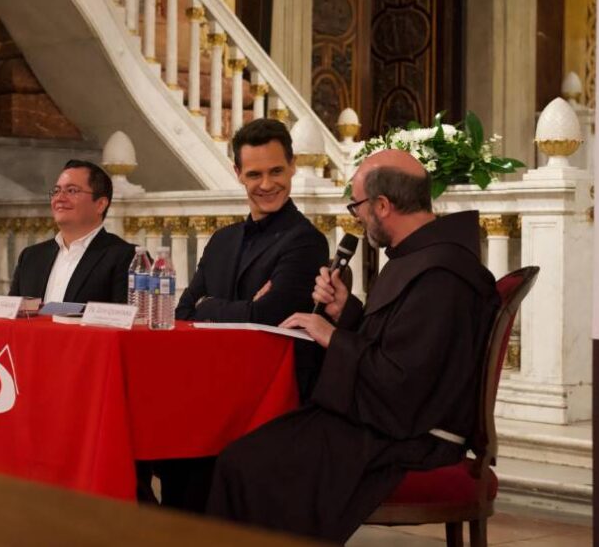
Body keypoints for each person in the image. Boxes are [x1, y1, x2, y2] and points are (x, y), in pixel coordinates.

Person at [206, 150, 501, 542]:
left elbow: (402, 386)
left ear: (382, 205)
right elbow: (396, 345)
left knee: (245, 466)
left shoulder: (440, 275)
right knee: (245, 451)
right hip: (388, 420)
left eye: (358, 205)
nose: (357, 217)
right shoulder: (420, 257)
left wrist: (331, 336)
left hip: (413, 436)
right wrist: (346, 312)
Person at [146, 119, 328, 513]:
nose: (267, 184)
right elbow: (182, 312)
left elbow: (270, 315)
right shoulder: (222, 239)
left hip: (265, 401)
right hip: (208, 389)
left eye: (276, 171)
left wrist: (211, 306)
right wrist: (242, 309)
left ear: (293, 166)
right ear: (238, 175)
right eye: (255, 174)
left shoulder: (307, 241)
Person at [9, 160, 135, 303]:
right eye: (56, 191)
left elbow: (124, 320)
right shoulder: (31, 257)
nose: (59, 198)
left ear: (100, 204)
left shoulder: (127, 257)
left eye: (72, 191)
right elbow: (13, 318)